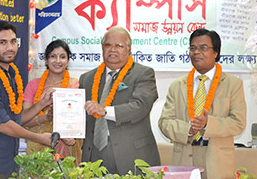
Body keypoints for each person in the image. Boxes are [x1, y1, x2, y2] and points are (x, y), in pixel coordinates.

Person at [158, 28, 247, 179]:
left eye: (203, 48)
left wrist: (207, 125)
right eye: (193, 48)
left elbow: (238, 122)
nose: (196, 52)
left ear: (216, 53)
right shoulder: (177, 85)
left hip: (217, 162)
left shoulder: (233, 84)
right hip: (184, 160)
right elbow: (164, 122)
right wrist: (188, 130)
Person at [0, 21, 52, 179]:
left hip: (9, 165)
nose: (10, 47)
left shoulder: (11, 75)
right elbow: (3, 124)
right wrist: (39, 138)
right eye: (2, 42)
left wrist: (43, 103)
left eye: (13, 41)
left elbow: (17, 118)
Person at [79, 26, 160, 175]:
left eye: (119, 46)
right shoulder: (87, 78)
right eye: (108, 45)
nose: (112, 49)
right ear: (102, 48)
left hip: (133, 157)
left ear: (129, 50)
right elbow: (80, 113)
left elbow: (141, 106)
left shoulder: (143, 74)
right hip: (94, 157)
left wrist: (104, 111)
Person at [21, 39, 82, 164]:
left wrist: (72, 136)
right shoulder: (33, 85)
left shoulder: (75, 85)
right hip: (37, 147)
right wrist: (46, 118)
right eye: (53, 56)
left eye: (62, 57)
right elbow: (23, 120)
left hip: (68, 147)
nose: (58, 61)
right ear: (46, 60)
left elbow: (79, 120)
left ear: (68, 60)